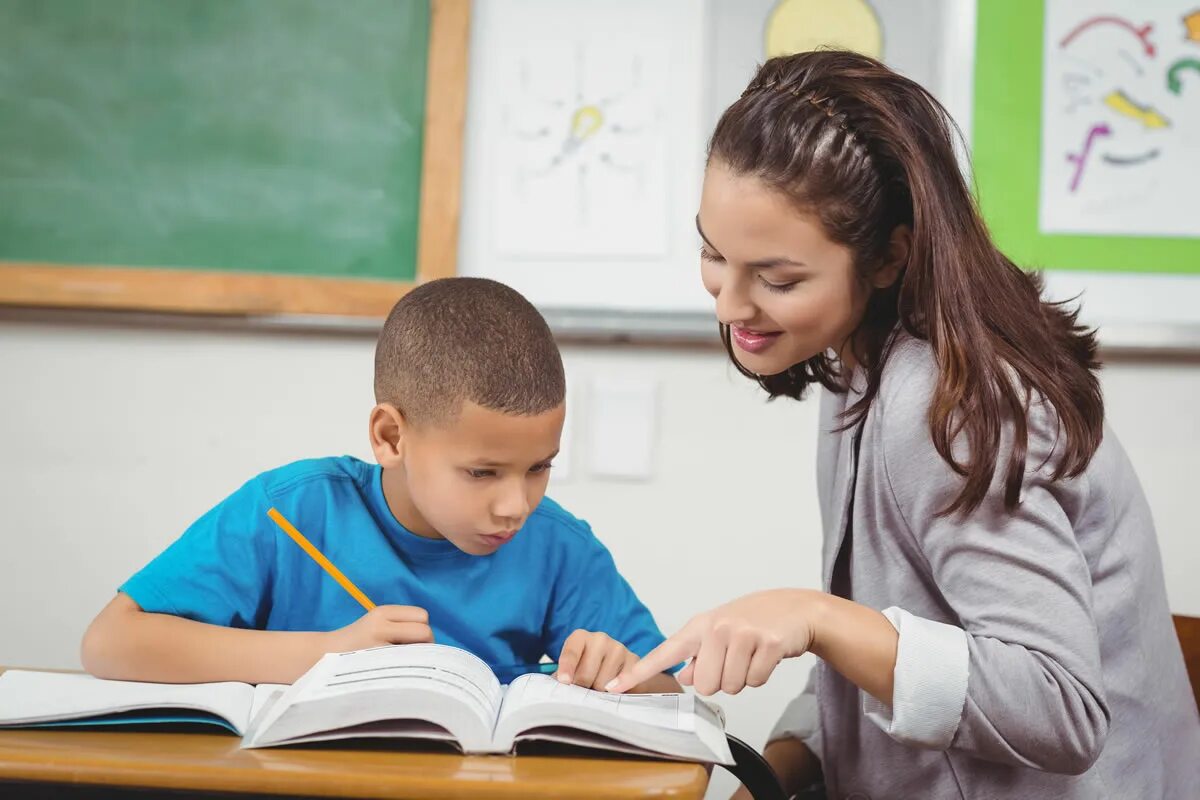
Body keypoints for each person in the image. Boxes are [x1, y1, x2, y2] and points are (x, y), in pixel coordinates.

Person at [608, 51, 1200, 798]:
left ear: (889, 256)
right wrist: (770, 775)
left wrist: (816, 616)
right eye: (712, 253)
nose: (729, 304)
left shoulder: (947, 408)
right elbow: (888, 648)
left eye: (778, 278)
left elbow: (1063, 706)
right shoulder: (857, 368)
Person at [82, 277, 678, 694]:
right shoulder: (290, 512)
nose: (514, 505)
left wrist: (623, 672)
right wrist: (324, 653)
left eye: (539, 467)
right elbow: (111, 643)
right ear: (391, 437)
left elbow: (665, 687)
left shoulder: (559, 548)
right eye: (482, 472)